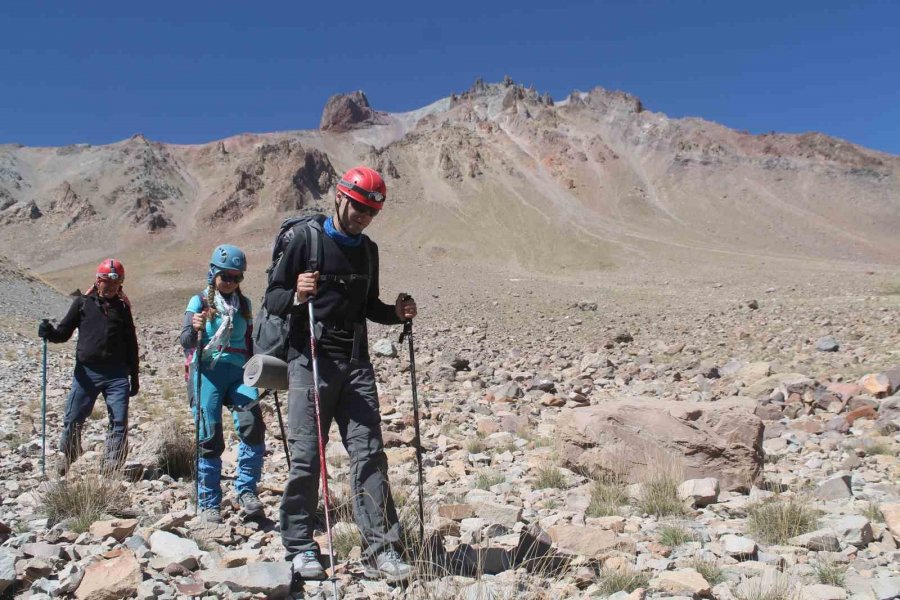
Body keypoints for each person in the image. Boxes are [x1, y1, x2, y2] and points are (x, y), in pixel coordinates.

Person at [265, 166, 417, 583]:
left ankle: (380, 549)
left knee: (369, 454)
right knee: (307, 458)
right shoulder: (305, 241)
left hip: (355, 365)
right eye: (358, 207)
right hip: (309, 360)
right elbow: (273, 299)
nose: (363, 217)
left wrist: (394, 313)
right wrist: (297, 293)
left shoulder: (368, 250)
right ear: (339, 196)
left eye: (371, 212)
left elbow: (368, 305)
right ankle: (299, 546)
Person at [179, 244, 266, 523]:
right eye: (225, 276)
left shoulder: (246, 306)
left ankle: (247, 491)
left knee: (252, 425)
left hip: (239, 373)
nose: (230, 282)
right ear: (213, 273)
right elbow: (185, 342)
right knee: (209, 434)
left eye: (236, 277)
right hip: (207, 371)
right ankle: (209, 503)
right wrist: (194, 327)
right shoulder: (199, 303)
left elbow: (252, 342)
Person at [38, 259, 139, 476]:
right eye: (105, 282)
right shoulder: (82, 304)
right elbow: (63, 333)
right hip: (87, 372)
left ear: (121, 283)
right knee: (73, 417)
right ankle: (69, 454)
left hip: (117, 374)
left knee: (119, 420)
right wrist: (49, 332)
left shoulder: (123, 308)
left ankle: (112, 464)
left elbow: (131, 342)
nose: (109, 287)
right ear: (97, 280)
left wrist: (135, 375)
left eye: (115, 282)